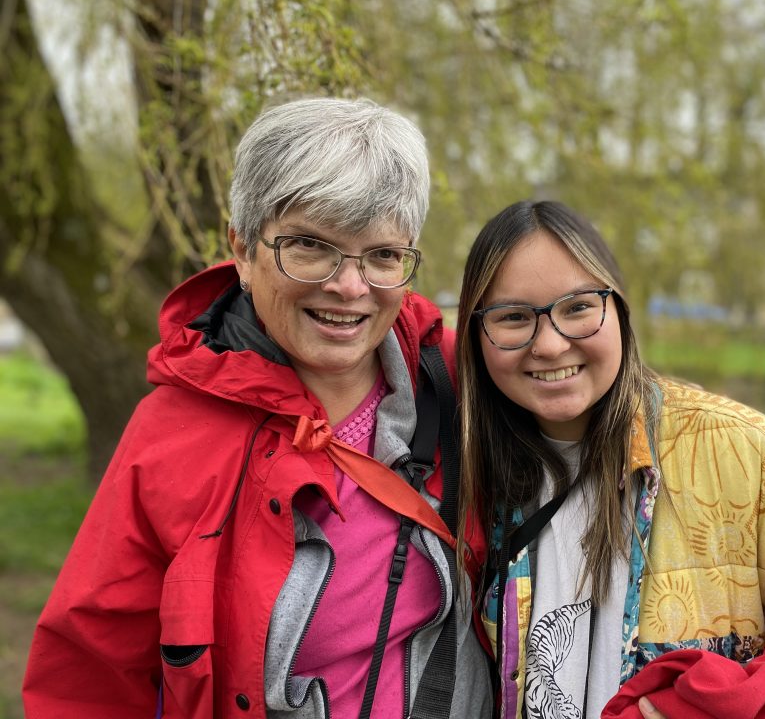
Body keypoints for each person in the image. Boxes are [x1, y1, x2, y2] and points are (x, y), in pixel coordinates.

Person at [23, 97, 491, 718]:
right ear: (242, 250)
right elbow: (88, 674)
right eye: (310, 246)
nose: (349, 287)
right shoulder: (168, 438)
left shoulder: (467, 381)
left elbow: (622, 435)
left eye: (381, 255)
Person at [455, 200, 765, 719]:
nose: (551, 344)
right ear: (474, 333)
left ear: (618, 308)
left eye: (578, 307)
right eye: (512, 318)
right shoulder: (465, 473)